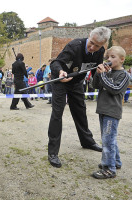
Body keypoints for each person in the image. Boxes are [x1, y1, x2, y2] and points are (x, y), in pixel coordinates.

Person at [47, 27, 110, 168]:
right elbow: (55, 63)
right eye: (92, 43)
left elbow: (95, 73)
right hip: (61, 81)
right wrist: (60, 72)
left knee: (80, 111)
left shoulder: (100, 51)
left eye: (98, 46)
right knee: (57, 114)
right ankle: (52, 152)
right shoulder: (75, 46)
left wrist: (101, 73)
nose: (93, 47)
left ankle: (87, 141)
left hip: (77, 83)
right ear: (89, 36)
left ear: (103, 45)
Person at [92, 46, 130, 179]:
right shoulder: (107, 73)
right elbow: (95, 86)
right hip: (102, 110)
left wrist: (103, 75)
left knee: (108, 140)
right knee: (108, 139)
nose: (109, 59)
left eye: (112, 57)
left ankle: (109, 169)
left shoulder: (124, 75)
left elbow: (115, 89)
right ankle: (116, 162)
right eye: (107, 57)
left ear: (122, 59)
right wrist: (98, 74)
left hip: (112, 112)